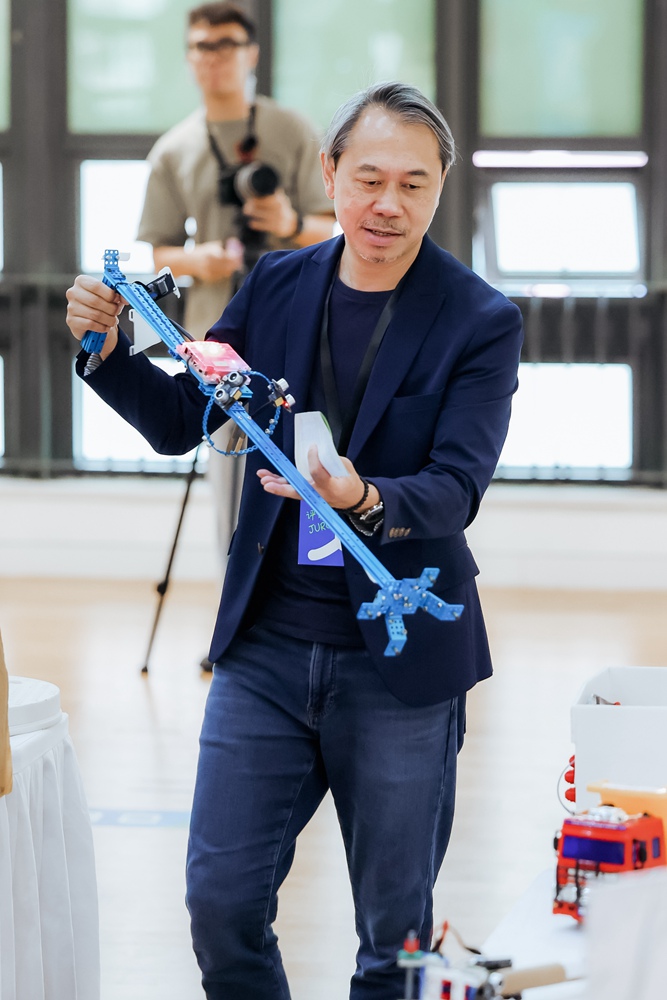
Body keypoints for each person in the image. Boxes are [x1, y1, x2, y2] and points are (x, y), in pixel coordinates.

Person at [66, 81, 523, 1000]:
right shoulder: (276, 284)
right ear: (329, 173)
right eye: (368, 179)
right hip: (266, 651)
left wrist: (363, 495)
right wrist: (106, 349)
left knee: (393, 940)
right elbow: (184, 418)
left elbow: (454, 488)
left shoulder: (479, 319)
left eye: (413, 184)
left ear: (440, 188)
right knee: (220, 907)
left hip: (397, 663)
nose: (387, 204)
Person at [137, 1, 335, 595]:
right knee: (228, 472)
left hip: (301, 322)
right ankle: (238, 601)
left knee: (310, 454)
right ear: (189, 57)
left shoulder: (292, 131)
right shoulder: (174, 149)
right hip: (217, 338)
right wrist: (202, 260)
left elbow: (332, 229)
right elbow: (157, 251)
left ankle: (313, 595)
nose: (215, 57)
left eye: (227, 44)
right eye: (203, 46)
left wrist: (287, 222)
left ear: (251, 54)